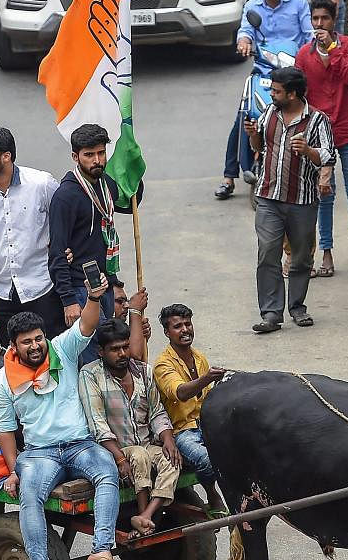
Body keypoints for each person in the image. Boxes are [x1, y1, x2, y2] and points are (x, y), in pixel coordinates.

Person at [0, 282, 122, 560]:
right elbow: (5, 431)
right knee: (30, 494)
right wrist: (12, 470)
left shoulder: (61, 349)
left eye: (38, 339)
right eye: (27, 342)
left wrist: (93, 297)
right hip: (39, 455)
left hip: (80, 445)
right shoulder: (2, 381)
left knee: (108, 471)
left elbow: (87, 324)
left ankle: (102, 549)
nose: (36, 346)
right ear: (14, 346)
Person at [247, 66, 334, 334]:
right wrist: (253, 134)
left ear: (293, 94)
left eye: (276, 91)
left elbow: (329, 156)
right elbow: (258, 147)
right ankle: (271, 313)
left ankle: (297, 306)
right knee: (268, 253)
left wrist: (308, 150)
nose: (271, 95)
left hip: (302, 201)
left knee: (301, 258)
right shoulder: (269, 113)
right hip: (268, 197)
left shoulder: (318, 120)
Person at [217, 0, 310, 200]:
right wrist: (244, 42)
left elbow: (308, 33)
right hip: (264, 71)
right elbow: (246, 31)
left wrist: (311, 49)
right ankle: (230, 176)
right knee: (245, 117)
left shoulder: (297, 2)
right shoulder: (252, 7)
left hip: (293, 73)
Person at [0, 125, 62, 343]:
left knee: (51, 353)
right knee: (9, 359)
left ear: (6, 156)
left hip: (43, 287)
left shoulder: (41, 184)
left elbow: (63, 224)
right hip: (2, 292)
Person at [79, 317, 178, 535]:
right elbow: (97, 425)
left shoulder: (144, 372)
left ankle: (145, 516)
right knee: (139, 454)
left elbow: (157, 412)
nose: (122, 354)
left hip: (144, 444)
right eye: (115, 349)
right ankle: (143, 518)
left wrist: (169, 440)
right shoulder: (90, 375)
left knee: (172, 458)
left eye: (125, 347)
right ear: (100, 352)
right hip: (113, 451)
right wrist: (120, 458)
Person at [295, 0, 348, 275]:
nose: (319, 24)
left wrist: (333, 49)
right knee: (325, 194)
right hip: (320, 135)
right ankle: (326, 251)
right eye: (315, 19)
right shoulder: (304, 54)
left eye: (324, 19)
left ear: (333, 20)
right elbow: (302, 93)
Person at [48, 123, 137, 341]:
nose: (97, 160)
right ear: (75, 157)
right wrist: (69, 301)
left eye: (101, 153)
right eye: (89, 155)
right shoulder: (65, 196)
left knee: (109, 351)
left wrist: (135, 170)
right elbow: (57, 253)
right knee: (91, 357)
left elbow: (128, 204)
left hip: (104, 284)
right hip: (81, 289)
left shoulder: (105, 184)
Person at [152, 302, 227, 514]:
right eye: (178, 326)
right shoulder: (162, 364)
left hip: (206, 424)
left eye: (188, 324)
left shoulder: (200, 357)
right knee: (207, 461)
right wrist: (206, 378)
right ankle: (212, 493)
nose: (185, 330)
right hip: (181, 431)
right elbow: (181, 393)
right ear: (167, 332)